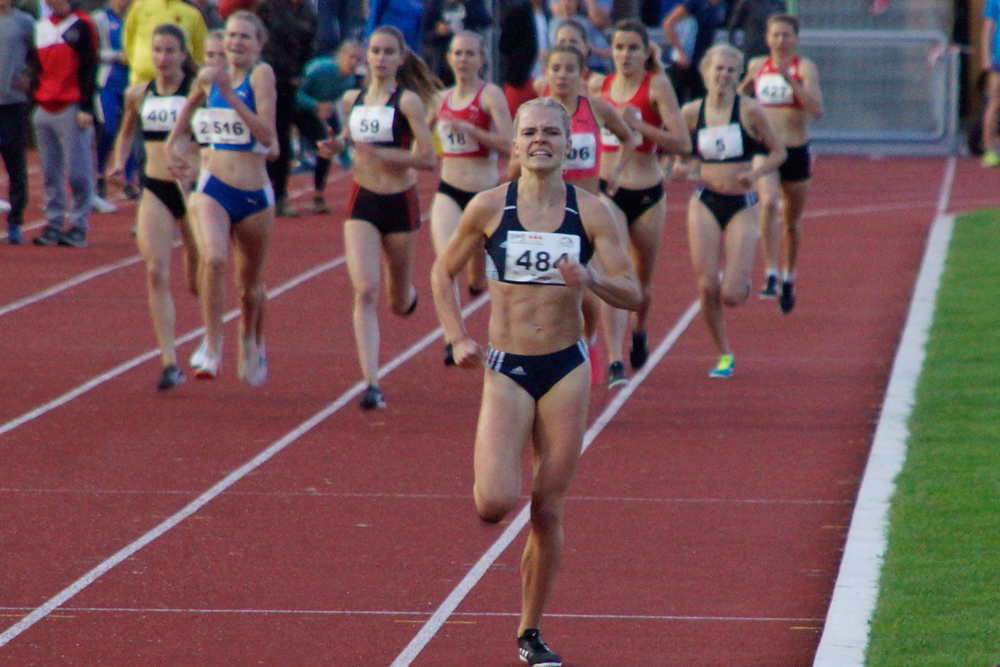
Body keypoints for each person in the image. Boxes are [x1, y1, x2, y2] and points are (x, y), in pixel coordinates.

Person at [430, 96, 641, 667]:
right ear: (516, 143)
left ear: (569, 145)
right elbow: (442, 273)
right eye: (530, 132)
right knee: (495, 503)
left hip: (566, 368)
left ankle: (530, 631)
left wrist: (590, 277)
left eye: (552, 132)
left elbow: (633, 292)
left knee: (548, 507)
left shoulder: (592, 213)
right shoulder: (488, 207)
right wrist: (456, 337)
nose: (540, 140)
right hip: (506, 368)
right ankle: (488, 469)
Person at [166, 9, 277, 386]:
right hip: (213, 186)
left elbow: (267, 134)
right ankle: (212, 344)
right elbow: (188, 108)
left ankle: (251, 340)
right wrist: (173, 146)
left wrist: (230, 94)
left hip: (254, 195)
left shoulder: (261, 76)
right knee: (213, 258)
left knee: (250, 288)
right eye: (231, 35)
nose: (236, 42)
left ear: (259, 44)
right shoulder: (208, 76)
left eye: (245, 37)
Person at [336, 24, 437, 410]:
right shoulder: (351, 99)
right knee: (365, 289)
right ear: (366, 56)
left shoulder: (407, 102)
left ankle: (408, 295)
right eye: (375, 51)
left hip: (399, 202)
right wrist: (335, 145)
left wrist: (384, 153)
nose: (380, 58)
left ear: (400, 58)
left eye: (388, 52)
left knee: (396, 299)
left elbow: (427, 158)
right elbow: (349, 140)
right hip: (362, 200)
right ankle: (372, 383)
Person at [591, 19, 691, 387]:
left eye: (633, 48)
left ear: (646, 51)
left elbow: (682, 143)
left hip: (647, 192)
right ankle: (615, 360)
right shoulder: (598, 88)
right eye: (619, 48)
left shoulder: (657, 86)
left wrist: (639, 126)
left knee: (642, 281)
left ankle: (640, 329)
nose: (625, 55)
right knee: (615, 272)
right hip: (609, 192)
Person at [681, 43, 783, 378]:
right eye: (718, 69)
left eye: (730, 70)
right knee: (706, 286)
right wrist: (681, 167)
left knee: (731, 295)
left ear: (738, 76)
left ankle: (742, 283)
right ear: (705, 72)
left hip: (742, 204)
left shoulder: (750, 110)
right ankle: (724, 354)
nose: (723, 75)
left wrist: (755, 174)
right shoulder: (691, 113)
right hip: (705, 201)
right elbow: (676, 152)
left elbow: (778, 153)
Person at [109, 23, 201, 390]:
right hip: (156, 187)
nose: (162, 58)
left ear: (183, 55)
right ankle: (170, 362)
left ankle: (211, 334)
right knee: (155, 270)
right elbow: (126, 132)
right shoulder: (138, 93)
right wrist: (119, 162)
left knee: (199, 278)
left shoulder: (197, 93)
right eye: (157, 50)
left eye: (170, 51)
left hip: (193, 191)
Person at [428, 29, 513, 365]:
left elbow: (510, 145)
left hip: (485, 195)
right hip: (449, 191)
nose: (463, 60)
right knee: (446, 262)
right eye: (457, 53)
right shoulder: (439, 99)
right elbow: (420, 140)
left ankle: (477, 283)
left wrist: (474, 132)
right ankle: (453, 338)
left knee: (478, 275)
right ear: (448, 58)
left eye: (469, 54)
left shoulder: (490, 95)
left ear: (481, 59)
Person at [739, 13, 822, 313]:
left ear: (796, 39)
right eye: (775, 35)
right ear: (767, 38)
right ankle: (771, 273)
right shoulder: (757, 66)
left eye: (786, 35)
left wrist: (791, 81)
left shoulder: (805, 67)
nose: (780, 40)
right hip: (766, 149)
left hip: (796, 151)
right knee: (769, 202)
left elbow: (817, 109)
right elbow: (739, 97)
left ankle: (789, 275)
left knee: (792, 222)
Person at [30, 0, 99, 249]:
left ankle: (79, 224)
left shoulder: (82, 24)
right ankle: (54, 222)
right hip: (44, 105)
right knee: (50, 171)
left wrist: (86, 107)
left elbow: (90, 67)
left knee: (78, 171)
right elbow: (37, 67)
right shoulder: (41, 27)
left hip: (71, 106)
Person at [255, 0, 317, 217]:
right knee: (260, 136)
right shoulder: (267, 6)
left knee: (282, 139)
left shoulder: (308, 11)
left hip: (287, 83)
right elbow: (256, 38)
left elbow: (310, 45)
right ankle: (259, 194)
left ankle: (280, 196)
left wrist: (299, 73)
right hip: (262, 78)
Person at [296, 38, 364, 213]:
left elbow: (331, 107)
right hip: (293, 106)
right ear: (340, 57)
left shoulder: (349, 81)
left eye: (358, 59)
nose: (354, 63)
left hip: (311, 112)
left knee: (325, 145)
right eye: (351, 57)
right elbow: (296, 92)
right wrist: (316, 104)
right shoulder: (321, 69)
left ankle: (318, 195)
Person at [93, 0, 138, 202]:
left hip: (132, 82)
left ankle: (127, 180)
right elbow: (92, 50)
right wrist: (117, 56)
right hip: (108, 83)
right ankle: (99, 173)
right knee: (109, 128)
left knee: (130, 130)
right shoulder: (100, 19)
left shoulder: (137, 15)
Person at [0, 0, 34, 245]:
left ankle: (15, 221)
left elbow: (38, 56)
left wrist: (29, 76)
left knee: (15, 164)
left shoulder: (25, 22)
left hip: (13, 104)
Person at [122, 0, 206, 84]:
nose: (162, 58)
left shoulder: (192, 14)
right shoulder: (139, 6)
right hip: (141, 81)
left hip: (178, 85)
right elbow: (128, 40)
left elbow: (199, 54)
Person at [662, 0, 728, 104]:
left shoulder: (721, 6)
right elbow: (668, 23)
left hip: (702, 61)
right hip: (686, 59)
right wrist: (680, 52)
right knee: (677, 98)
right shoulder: (695, 3)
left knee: (700, 100)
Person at [420, 0, 491, 87]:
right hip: (441, 60)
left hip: (468, 52)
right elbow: (424, 34)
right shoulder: (434, 4)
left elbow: (486, 21)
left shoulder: (473, 3)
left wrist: (469, 5)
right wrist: (438, 32)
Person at [981, 0, 1000, 167]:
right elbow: (988, 26)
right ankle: (989, 150)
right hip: (998, 60)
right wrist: (986, 57)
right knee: (994, 103)